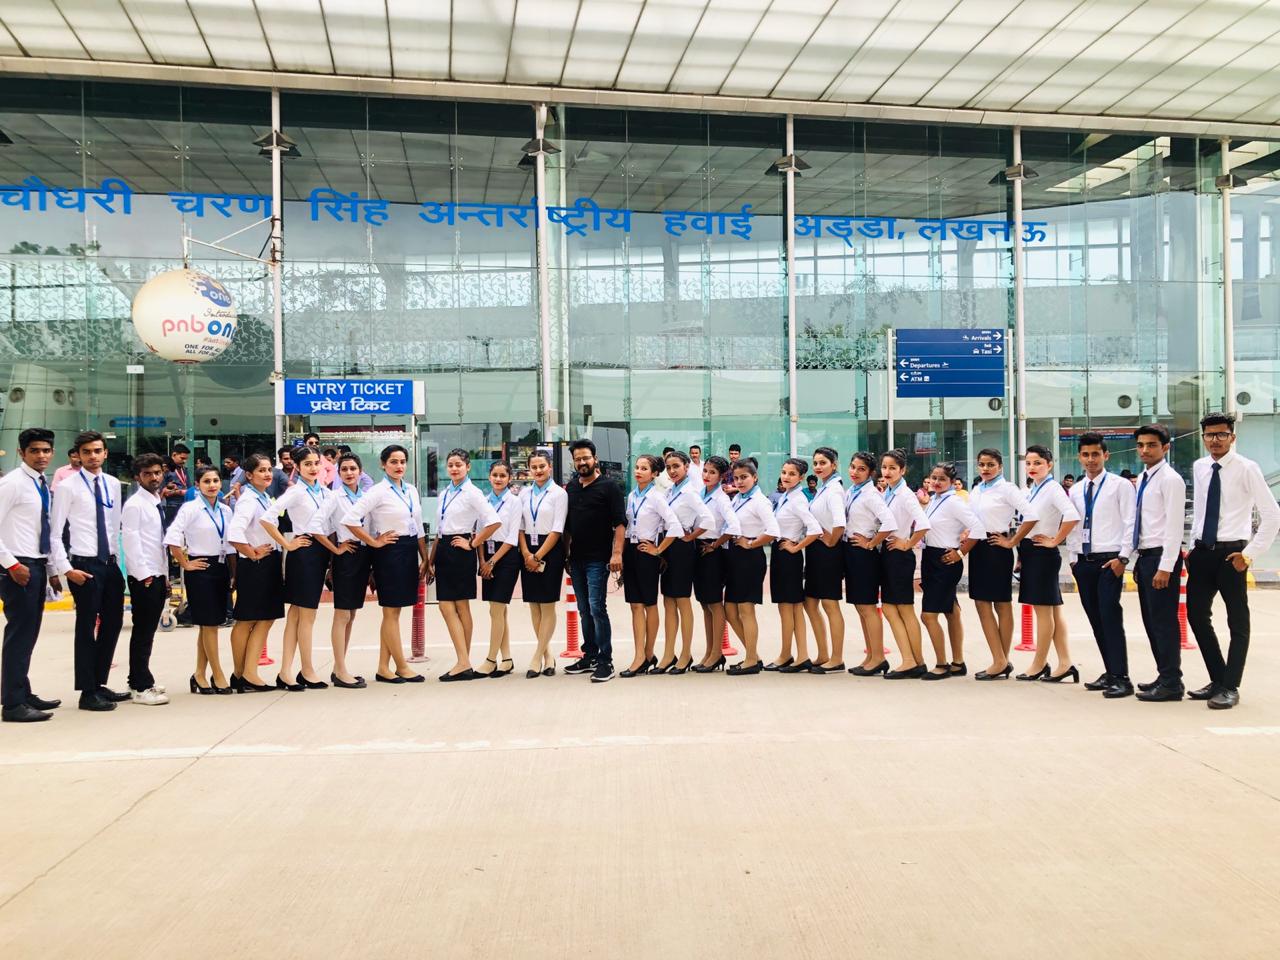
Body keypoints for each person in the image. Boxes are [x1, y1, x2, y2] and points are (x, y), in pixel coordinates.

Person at [1185, 412, 1280, 709]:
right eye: (1210, 435)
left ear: (1232, 437)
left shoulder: (1247, 468)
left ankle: (1231, 686)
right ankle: (1218, 679)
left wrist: (1249, 554)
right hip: (1202, 553)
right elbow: (1201, 511)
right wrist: (1191, 548)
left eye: (1222, 434)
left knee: (1237, 622)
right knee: (1196, 616)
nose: (1216, 440)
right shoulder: (1200, 466)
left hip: (1232, 555)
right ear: (1203, 438)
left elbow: (1272, 514)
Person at [48, 430, 128, 712]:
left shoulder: (113, 484)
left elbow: (114, 525)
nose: (92, 456)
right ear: (78, 456)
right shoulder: (67, 487)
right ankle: (87, 691)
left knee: (113, 623)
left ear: (105, 453)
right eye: (87, 452)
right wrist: (66, 569)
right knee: (86, 627)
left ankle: (99, 682)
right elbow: (55, 533)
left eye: (97, 451)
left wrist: (117, 560)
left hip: (110, 564)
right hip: (84, 565)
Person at [343, 444, 429, 684]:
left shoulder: (411, 490)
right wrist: (374, 542)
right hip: (389, 553)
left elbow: (418, 526)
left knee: (395, 612)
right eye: (393, 461)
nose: (399, 466)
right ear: (383, 464)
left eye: (402, 461)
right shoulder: (378, 491)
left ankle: (383, 667)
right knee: (391, 611)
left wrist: (425, 557)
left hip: (409, 549)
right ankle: (401, 666)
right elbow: (350, 519)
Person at [1067, 432, 1137, 698]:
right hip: (1083, 562)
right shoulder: (1076, 489)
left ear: (1106, 455)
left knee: (1110, 618)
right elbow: (1073, 525)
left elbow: (1130, 522)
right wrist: (1073, 558)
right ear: (1079, 457)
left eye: (1095, 454)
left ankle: (1122, 677)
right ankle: (1110, 671)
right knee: (1096, 619)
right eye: (1085, 455)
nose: (1091, 459)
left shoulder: (1120, 486)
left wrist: (1123, 558)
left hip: (1109, 560)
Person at [0, 428, 62, 723]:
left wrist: (51, 570)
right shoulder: (12, 483)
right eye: (34, 451)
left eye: (46, 450)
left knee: (30, 633)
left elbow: (40, 529)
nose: (41, 456)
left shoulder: (40, 483)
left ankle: (22, 692)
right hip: (18, 566)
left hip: (36, 564)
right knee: (20, 635)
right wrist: (11, 564)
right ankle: (13, 704)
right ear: (21, 453)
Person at [265, 445, 336, 691]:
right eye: (307, 464)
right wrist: (287, 543)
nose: (313, 468)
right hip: (303, 552)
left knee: (297, 615)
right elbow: (268, 517)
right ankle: (307, 670)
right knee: (306, 615)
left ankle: (286, 672)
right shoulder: (296, 491)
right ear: (297, 467)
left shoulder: (325, 491)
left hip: (321, 551)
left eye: (316, 463)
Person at [1129, 424, 1189, 703]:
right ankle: (1164, 674)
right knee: (1152, 621)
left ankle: (1172, 682)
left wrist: (1166, 566)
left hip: (1161, 558)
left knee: (1164, 622)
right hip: (1146, 556)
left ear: (1165, 447)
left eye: (1151, 445)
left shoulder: (1170, 480)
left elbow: (1174, 527)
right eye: (1141, 445)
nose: (1145, 450)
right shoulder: (1144, 477)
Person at [431, 449, 501, 681]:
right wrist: (430, 560)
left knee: (459, 606)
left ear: (468, 467)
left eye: (458, 464)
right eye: (450, 465)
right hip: (443, 549)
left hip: (460, 550)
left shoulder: (472, 492)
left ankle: (463, 662)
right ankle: (463, 661)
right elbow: (439, 530)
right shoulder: (444, 493)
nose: (454, 468)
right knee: (448, 606)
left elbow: (493, 522)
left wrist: (472, 543)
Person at [1013, 445, 1080, 683]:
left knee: (1043, 612)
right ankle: (1065, 663)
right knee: (1053, 611)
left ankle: (1039, 663)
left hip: (1043, 554)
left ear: (1049, 465)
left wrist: (1055, 540)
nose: (1032, 467)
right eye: (1029, 463)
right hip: (1031, 552)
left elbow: (1072, 515)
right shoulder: (1032, 489)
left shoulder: (1052, 489)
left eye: (1038, 463)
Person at [968, 449, 1037, 681]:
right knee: (981, 603)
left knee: (1001, 603)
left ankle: (1000, 661)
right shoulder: (977, 489)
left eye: (991, 464)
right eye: (982, 464)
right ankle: (1000, 660)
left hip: (996, 547)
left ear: (1000, 466)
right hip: (978, 547)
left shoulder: (1007, 489)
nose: (985, 469)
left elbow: (1031, 515)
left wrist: (1012, 541)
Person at [165, 464, 235, 694]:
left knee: (209, 625)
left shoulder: (226, 510)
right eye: (206, 481)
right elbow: (172, 538)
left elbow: (230, 543)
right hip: (200, 568)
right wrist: (185, 563)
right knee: (210, 624)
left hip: (221, 567)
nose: (212, 485)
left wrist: (234, 573)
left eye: (215, 481)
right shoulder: (190, 508)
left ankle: (199, 674)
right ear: (197, 485)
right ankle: (218, 674)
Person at [564, 439, 626, 684]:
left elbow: (619, 523)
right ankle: (589, 655)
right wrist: (566, 554)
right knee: (583, 609)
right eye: (578, 459)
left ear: (595, 459)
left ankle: (605, 661)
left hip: (599, 560)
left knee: (596, 608)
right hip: (576, 559)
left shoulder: (610, 487)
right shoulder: (571, 488)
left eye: (586, 458)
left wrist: (617, 554)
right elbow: (567, 527)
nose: (582, 462)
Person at [226, 454, 286, 692]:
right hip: (255, 566)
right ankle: (245, 673)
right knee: (248, 619)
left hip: (268, 562)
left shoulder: (264, 497)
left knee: (265, 618)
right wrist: (251, 553)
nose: (267, 474)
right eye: (261, 470)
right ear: (249, 475)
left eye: (269, 469)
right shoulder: (248, 500)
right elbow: (234, 533)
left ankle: (244, 673)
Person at [619, 455, 683, 677]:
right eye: (637, 467)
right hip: (630, 550)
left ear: (655, 473)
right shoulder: (631, 496)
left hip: (647, 553)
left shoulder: (657, 497)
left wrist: (658, 549)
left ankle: (647, 654)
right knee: (635, 605)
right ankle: (640, 655)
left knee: (649, 604)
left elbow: (675, 527)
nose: (638, 471)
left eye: (644, 468)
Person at [655, 450, 714, 673]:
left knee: (681, 600)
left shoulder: (690, 492)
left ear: (687, 467)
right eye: (669, 467)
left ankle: (686, 653)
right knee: (668, 601)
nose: (672, 471)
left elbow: (707, 519)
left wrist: (690, 537)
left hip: (682, 548)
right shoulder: (670, 490)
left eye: (676, 466)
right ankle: (668, 653)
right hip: (668, 545)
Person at [317, 453, 373, 688]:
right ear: (338, 473)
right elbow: (315, 525)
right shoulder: (334, 497)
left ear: (360, 471)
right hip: (346, 556)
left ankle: (339, 667)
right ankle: (340, 671)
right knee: (342, 615)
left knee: (351, 615)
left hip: (363, 556)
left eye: (353, 469)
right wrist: (336, 550)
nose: (349, 473)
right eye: (344, 469)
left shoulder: (367, 497)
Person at [919, 462, 978, 680]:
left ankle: (941, 664)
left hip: (945, 560)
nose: (936, 482)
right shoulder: (934, 499)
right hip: (930, 557)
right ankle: (958, 662)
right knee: (951, 611)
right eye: (934, 478)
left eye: (942, 479)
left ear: (952, 482)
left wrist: (961, 552)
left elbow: (978, 527)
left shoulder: (954, 502)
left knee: (928, 615)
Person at [120, 453, 170, 705]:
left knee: (148, 631)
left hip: (157, 573)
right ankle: (141, 687)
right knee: (142, 632)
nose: (154, 477)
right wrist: (144, 575)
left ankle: (139, 679)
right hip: (145, 577)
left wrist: (165, 576)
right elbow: (131, 542)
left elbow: (157, 543)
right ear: (137, 477)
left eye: (157, 473)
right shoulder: (134, 505)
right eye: (147, 474)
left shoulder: (155, 500)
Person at [721, 458, 779, 675]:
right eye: (736, 478)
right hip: (735, 557)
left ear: (755, 477)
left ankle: (751, 660)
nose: (739, 481)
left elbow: (773, 530)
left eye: (744, 477)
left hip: (750, 558)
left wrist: (752, 543)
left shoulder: (760, 501)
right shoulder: (738, 498)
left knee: (746, 610)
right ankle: (753, 655)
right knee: (730, 610)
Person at [842, 452, 898, 676]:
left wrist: (871, 543)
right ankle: (871, 656)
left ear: (871, 473)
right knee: (860, 608)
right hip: (851, 552)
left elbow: (889, 522)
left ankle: (879, 658)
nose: (855, 472)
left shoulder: (871, 495)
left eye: (861, 469)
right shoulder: (852, 491)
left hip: (864, 555)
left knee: (868, 608)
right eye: (853, 467)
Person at [878, 450, 929, 679]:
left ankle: (911, 661)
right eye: (884, 467)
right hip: (889, 555)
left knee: (903, 609)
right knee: (891, 608)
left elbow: (923, 523)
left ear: (902, 470)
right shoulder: (888, 492)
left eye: (892, 468)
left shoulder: (906, 495)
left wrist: (907, 543)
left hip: (899, 556)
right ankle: (915, 661)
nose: (887, 472)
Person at [768, 457, 822, 673]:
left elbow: (815, 529)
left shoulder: (798, 499)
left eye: (792, 474)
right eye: (784, 472)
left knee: (788, 608)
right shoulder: (786, 496)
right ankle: (800, 655)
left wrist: (796, 547)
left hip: (788, 555)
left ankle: (788, 655)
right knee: (792, 608)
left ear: (801, 477)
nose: (786, 477)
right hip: (781, 553)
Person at [518, 450, 568, 678]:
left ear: (550, 467)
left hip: (550, 549)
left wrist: (537, 557)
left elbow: (557, 529)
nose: (538, 470)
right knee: (534, 605)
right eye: (534, 467)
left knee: (547, 604)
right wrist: (526, 553)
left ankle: (536, 657)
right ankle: (548, 656)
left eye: (542, 466)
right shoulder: (523, 493)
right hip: (527, 548)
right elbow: (519, 527)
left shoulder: (559, 494)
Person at [693, 455, 741, 672]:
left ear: (722, 476)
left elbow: (734, 526)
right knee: (704, 604)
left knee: (714, 603)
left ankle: (717, 653)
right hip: (699, 549)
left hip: (713, 552)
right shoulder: (700, 493)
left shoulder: (722, 499)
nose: (707, 475)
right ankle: (709, 651)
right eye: (705, 471)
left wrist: (715, 544)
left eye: (712, 472)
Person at [476, 460, 522, 678]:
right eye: (495, 475)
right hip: (487, 557)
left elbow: (512, 537)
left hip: (506, 557)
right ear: (489, 477)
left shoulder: (514, 502)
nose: (498, 479)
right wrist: (482, 561)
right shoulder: (484, 502)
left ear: (509, 478)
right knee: (498, 611)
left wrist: (492, 562)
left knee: (496, 608)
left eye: (503, 475)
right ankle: (507, 659)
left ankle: (490, 659)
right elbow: (479, 534)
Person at [803, 447, 846, 673]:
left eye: (823, 463)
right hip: (815, 552)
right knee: (810, 603)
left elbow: (840, 523)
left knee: (830, 604)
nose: (818, 467)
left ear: (834, 465)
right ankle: (823, 654)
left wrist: (830, 541)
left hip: (828, 553)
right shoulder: (823, 488)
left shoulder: (834, 490)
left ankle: (837, 658)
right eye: (816, 463)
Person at [162, 443, 191, 526]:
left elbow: (188, 485)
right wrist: (178, 492)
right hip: (171, 506)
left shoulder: (184, 469)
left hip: (184, 505)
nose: (184, 461)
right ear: (174, 455)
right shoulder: (166, 470)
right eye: (182, 458)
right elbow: (161, 491)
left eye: (186, 459)